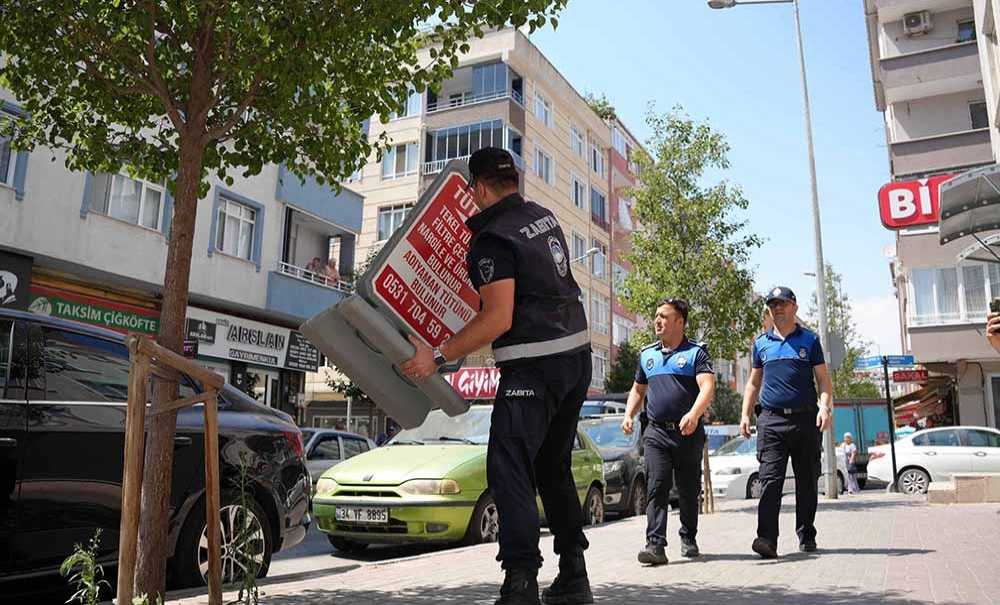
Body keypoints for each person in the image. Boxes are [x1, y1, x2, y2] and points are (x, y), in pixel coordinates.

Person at [400, 147, 593, 605]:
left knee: (508, 468)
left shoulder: (492, 238)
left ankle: (521, 581)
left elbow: (499, 318)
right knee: (553, 467)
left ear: (479, 189)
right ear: (515, 180)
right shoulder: (541, 216)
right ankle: (574, 574)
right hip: (576, 358)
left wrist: (439, 355)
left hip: (533, 364)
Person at [740, 286, 833, 559]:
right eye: (773, 304)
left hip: (805, 419)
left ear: (794, 306)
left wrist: (824, 407)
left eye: (782, 303)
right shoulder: (761, 344)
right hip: (771, 421)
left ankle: (806, 533)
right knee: (769, 480)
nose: (777, 308)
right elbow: (754, 382)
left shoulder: (810, 341)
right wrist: (745, 414)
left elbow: (823, 380)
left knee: (807, 481)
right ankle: (766, 539)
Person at [621, 298, 715, 565]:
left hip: (688, 432)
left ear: (679, 321)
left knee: (687, 489)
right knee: (656, 486)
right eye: (655, 316)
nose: (657, 321)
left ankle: (688, 536)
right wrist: (629, 414)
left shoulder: (696, 353)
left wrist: (694, 414)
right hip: (657, 433)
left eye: (663, 316)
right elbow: (638, 390)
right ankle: (655, 545)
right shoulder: (647, 355)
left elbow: (707, 387)